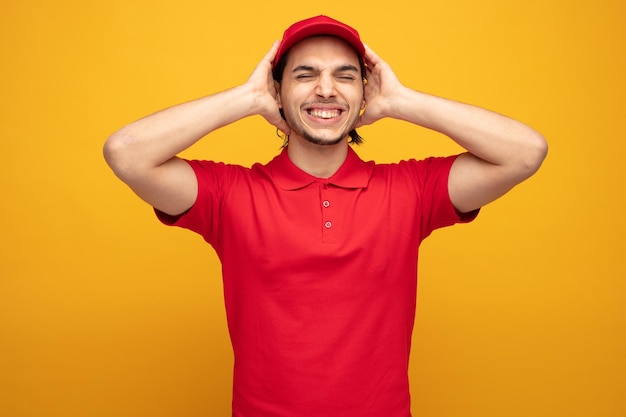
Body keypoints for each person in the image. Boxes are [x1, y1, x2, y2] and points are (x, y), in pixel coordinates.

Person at [104, 15, 547, 417]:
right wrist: (246, 98)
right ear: (277, 91)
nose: (326, 89)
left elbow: (526, 153)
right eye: (305, 74)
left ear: (363, 94)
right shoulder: (231, 195)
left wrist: (401, 101)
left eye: (345, 76)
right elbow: (126, 154)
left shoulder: (409, 190)